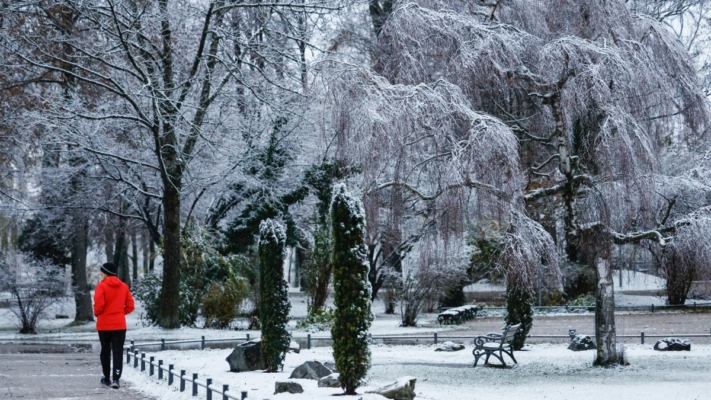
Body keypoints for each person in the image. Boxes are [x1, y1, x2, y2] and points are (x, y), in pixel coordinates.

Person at [94, 262, 134, 389]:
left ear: (106, 273)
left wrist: (97, 313)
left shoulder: (101, 287)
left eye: (101, 272)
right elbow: (131, 306)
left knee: (105, 351)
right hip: (119, 325)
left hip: (104, 325)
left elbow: (99, 306)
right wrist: (120, 313)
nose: (100, 274)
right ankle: (116, 379)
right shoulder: (123, 286)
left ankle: (106, 378)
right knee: (118, 352)